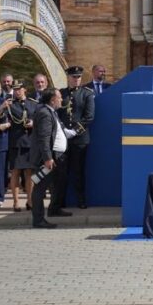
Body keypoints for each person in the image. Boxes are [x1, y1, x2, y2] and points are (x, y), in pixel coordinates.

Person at [30, 88, 76, 228]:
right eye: (59, 97)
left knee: (58, 184)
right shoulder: (45, 113)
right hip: (50, 157)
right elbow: (43, 138)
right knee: (40, 188)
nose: (61, 99)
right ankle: (38, 220)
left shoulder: (52, 111)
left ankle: (54, 209)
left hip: (58, 156)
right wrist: (48, 158)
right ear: (52, 99)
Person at [59, 66, 94, 210]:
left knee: (78, 171)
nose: (76, 79)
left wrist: (74, 131)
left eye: (79, 77)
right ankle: (60, 201)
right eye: (74, 77)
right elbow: (55, 113)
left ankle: (81, 200)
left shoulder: (87, 94)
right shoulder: (61, 93)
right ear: (68, 78)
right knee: (61, 171)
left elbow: (89, 117)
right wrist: (63, 129)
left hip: (80, 139)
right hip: (62, 139)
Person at [3, 81, 36, 212]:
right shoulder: (10, 104)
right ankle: (16, 202)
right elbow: (1, 117)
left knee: (29, 173)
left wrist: (33, 123)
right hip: (16, 142)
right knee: (15, 172)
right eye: (15, 89)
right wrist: (2, 107)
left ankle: (30, 200)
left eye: (19, 89)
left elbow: (38, 118)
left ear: (25, 90)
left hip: (29, 142)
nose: (17, 91)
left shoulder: (33, 103)